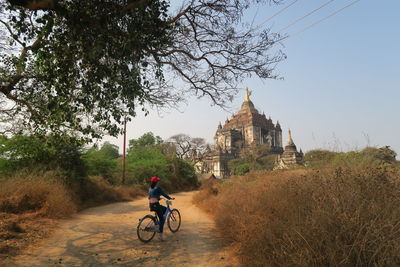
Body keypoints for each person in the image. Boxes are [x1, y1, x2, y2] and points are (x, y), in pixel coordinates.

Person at [148, 176, 174, 241]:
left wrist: (158, 198)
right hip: (156, 205)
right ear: (156, 182)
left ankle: (157, 225)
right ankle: (160, 235)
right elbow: (163, 194)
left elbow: (149, 197)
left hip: (151, 205)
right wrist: (169, 198)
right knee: (162, 219)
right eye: (157, 181)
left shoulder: (150, 188)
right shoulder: (158, 188)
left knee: (164, 209)